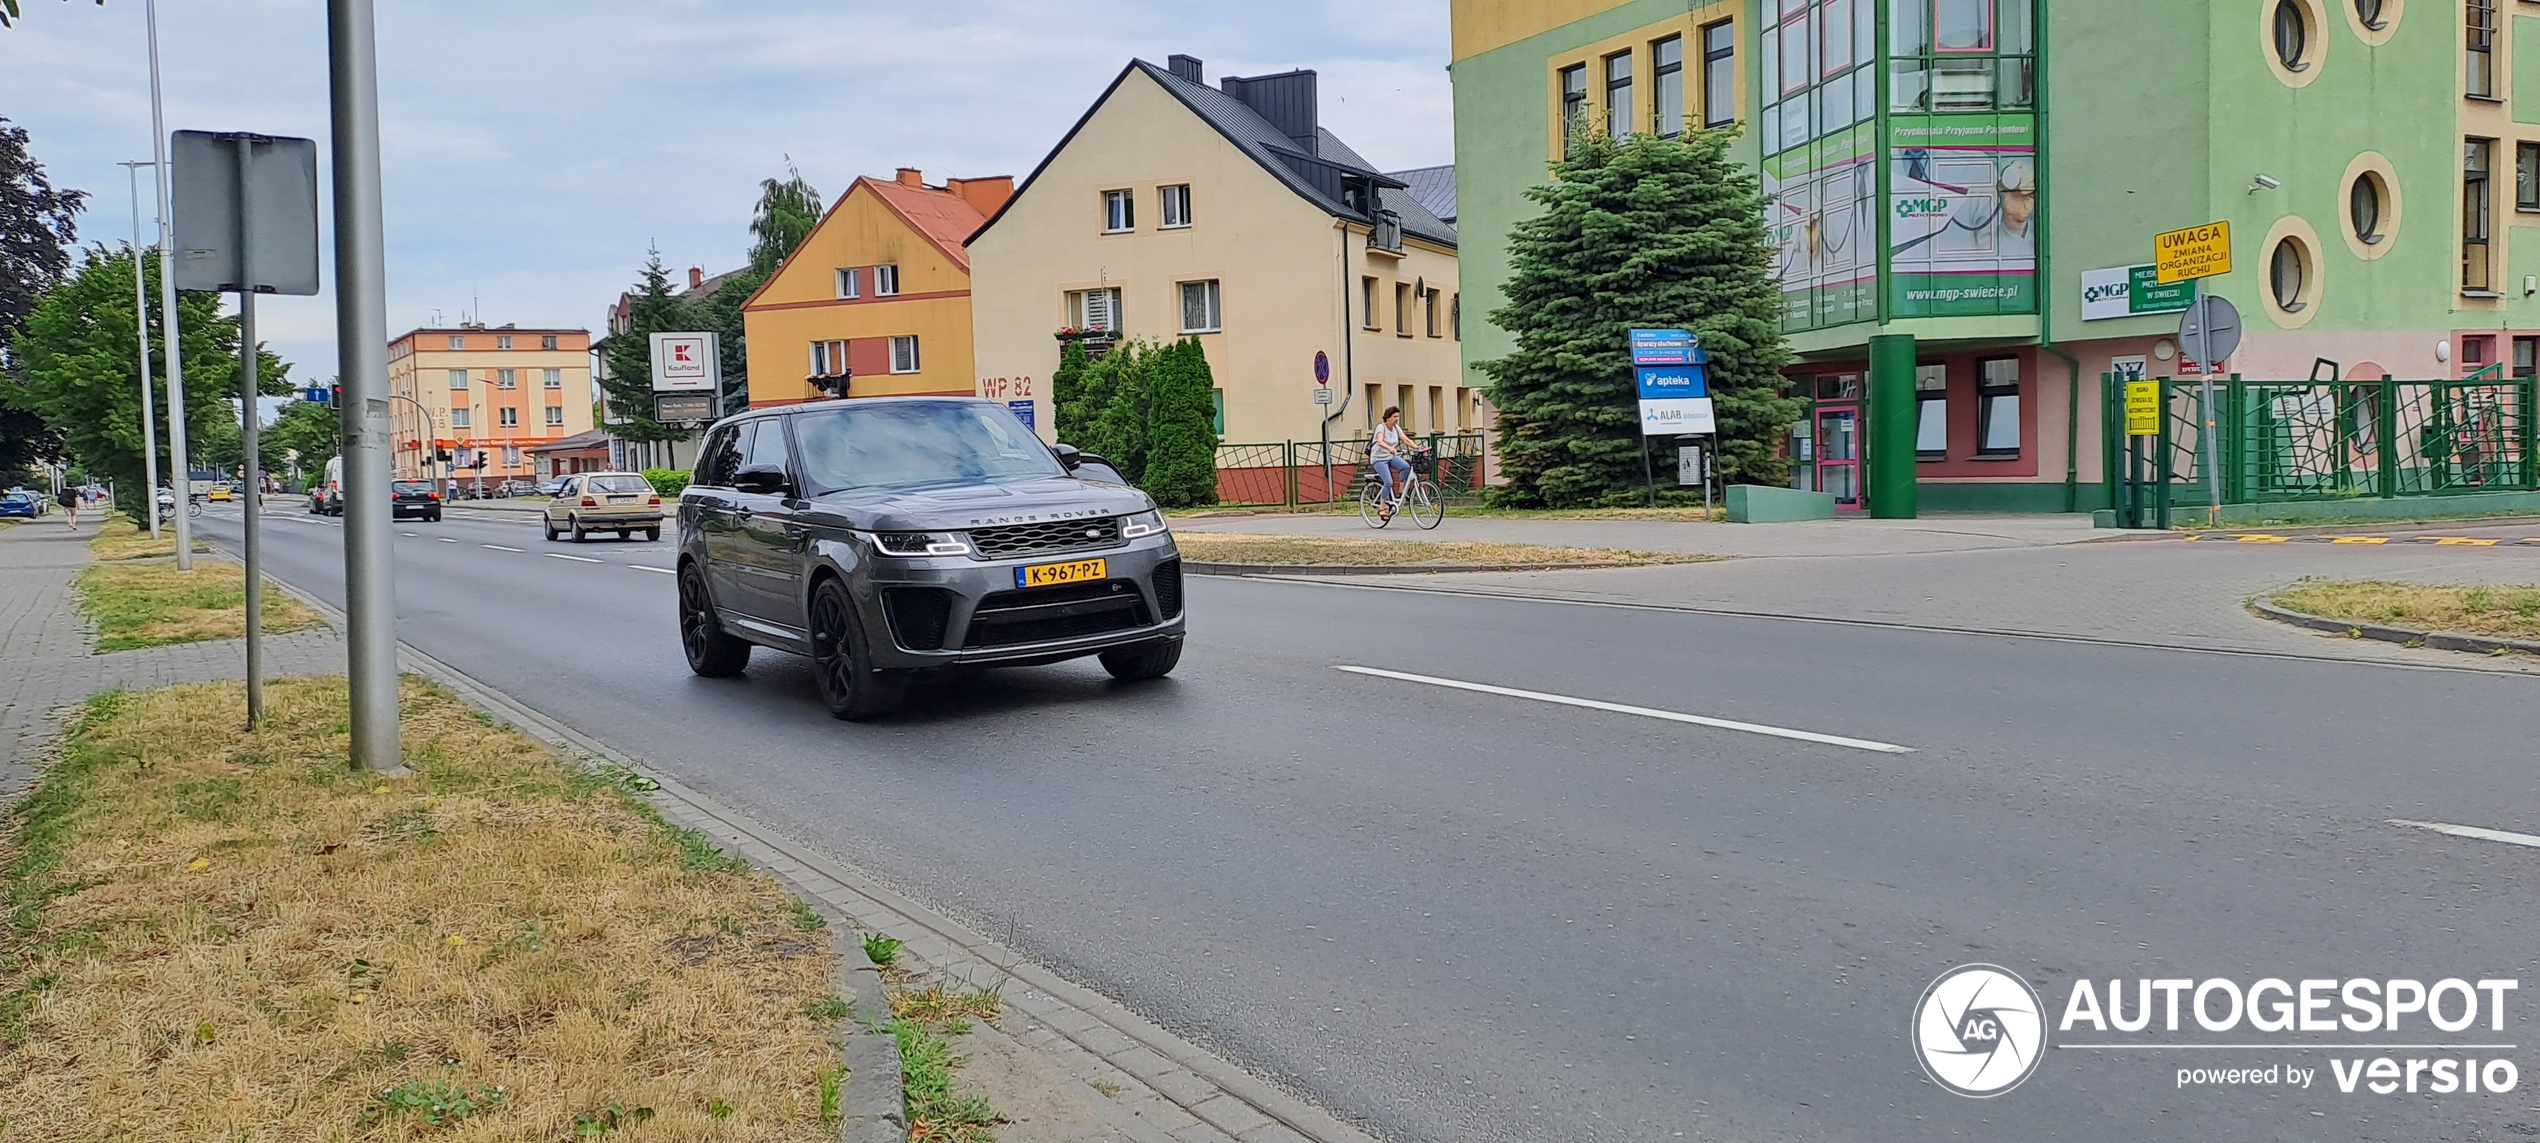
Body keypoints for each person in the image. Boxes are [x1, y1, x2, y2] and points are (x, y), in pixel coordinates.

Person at [1369, 407, 1414, 519]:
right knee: (1388, 482)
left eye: (1398, 416)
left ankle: (1401, 490)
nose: (1396, 419)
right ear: (1387, 417)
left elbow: (1406, 440)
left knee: (1405, 466)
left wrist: (1419, 448)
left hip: (1390, 457)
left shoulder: (1396, 428)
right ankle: (1382, 507)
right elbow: (1380, 441)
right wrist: (1390, 448)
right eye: (1394, 417)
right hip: (1379, 459)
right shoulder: (1381, 427)